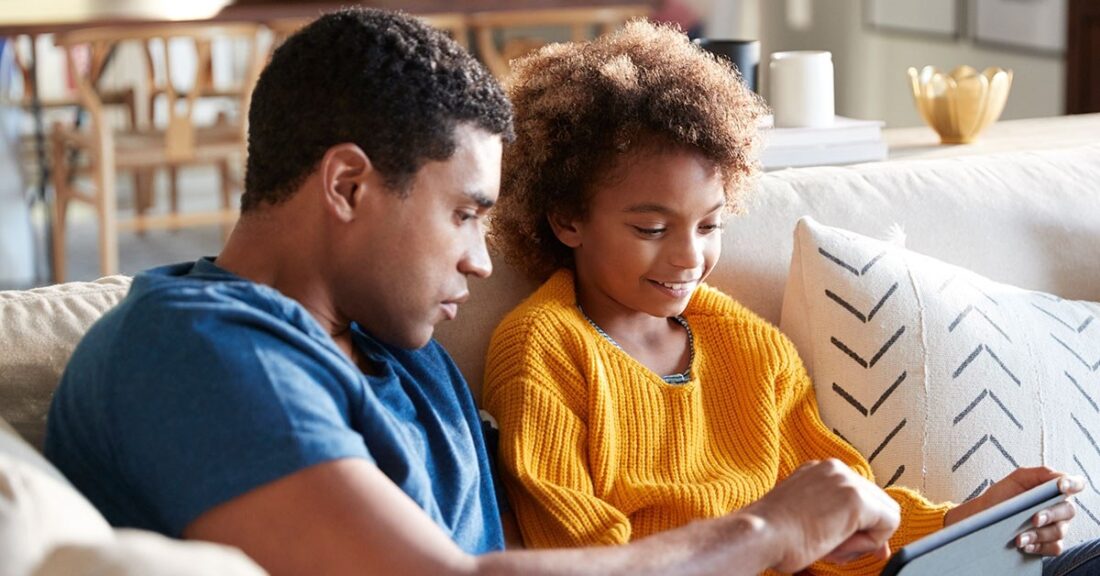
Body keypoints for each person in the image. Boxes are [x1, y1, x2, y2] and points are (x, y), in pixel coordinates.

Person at [44, 8, 904, 576]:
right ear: (347, 186)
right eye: (464, 215)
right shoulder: (199, 349)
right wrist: (768, 530)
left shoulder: (402, 355)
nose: (483, 262)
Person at [481, 19, 1095, 576]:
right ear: (566, 220)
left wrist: (968, 521)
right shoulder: (542, 348)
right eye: (651, 229)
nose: (688, 258)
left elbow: (850, 517)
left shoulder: (750, 345)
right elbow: (584, 560)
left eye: (709, 225)